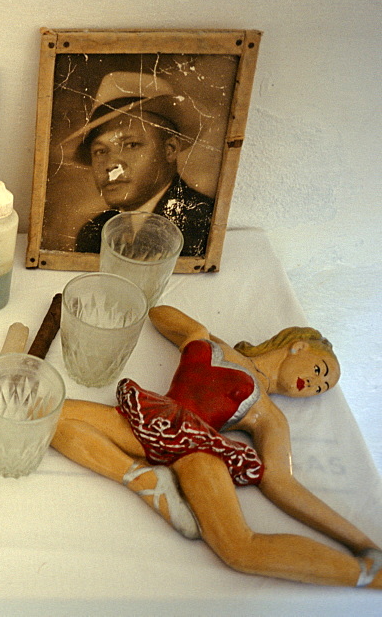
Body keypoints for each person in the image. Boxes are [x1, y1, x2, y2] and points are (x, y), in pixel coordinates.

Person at [50, 305, 382, 588]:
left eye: (320, 388)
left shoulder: (270, 416)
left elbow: (281, 483)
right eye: (319, 371)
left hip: (198, 453)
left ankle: (366, 573)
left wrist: (362, 542)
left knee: (238, 547)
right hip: (152, 420)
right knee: (42, 416)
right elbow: (157, 313)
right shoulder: (218, 347)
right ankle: (144, 480)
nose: (313, 385)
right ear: (298, 347)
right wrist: (194, 331)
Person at [66, 72, 215, 257]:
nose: (111, 165)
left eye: (131, 145)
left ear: (170, 149)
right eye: (100, 151)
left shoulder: (206, 224)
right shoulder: (93, 233)